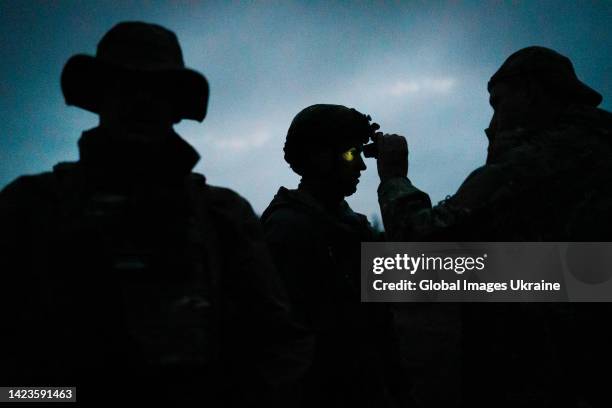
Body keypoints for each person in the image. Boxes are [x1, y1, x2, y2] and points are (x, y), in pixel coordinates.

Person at [0, 21, 309, 406]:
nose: (141, 101)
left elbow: (286, 341)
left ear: (177, 106)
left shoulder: (225, 214)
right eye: (124, 86)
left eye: (158, 90)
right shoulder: (31, 206)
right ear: (99, 96)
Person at [373, 47, 612, 407]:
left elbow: (421, 245)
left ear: (531, 92)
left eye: (498, 103)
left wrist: (394, 177)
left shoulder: (540, 158)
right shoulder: (594, 145)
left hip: (555, 374)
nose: (494, 117)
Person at [261, 104, 415, 408]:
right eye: (349, 154)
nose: (360, 166)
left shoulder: (350, 226)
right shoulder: (287, 230)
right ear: (317, 157)